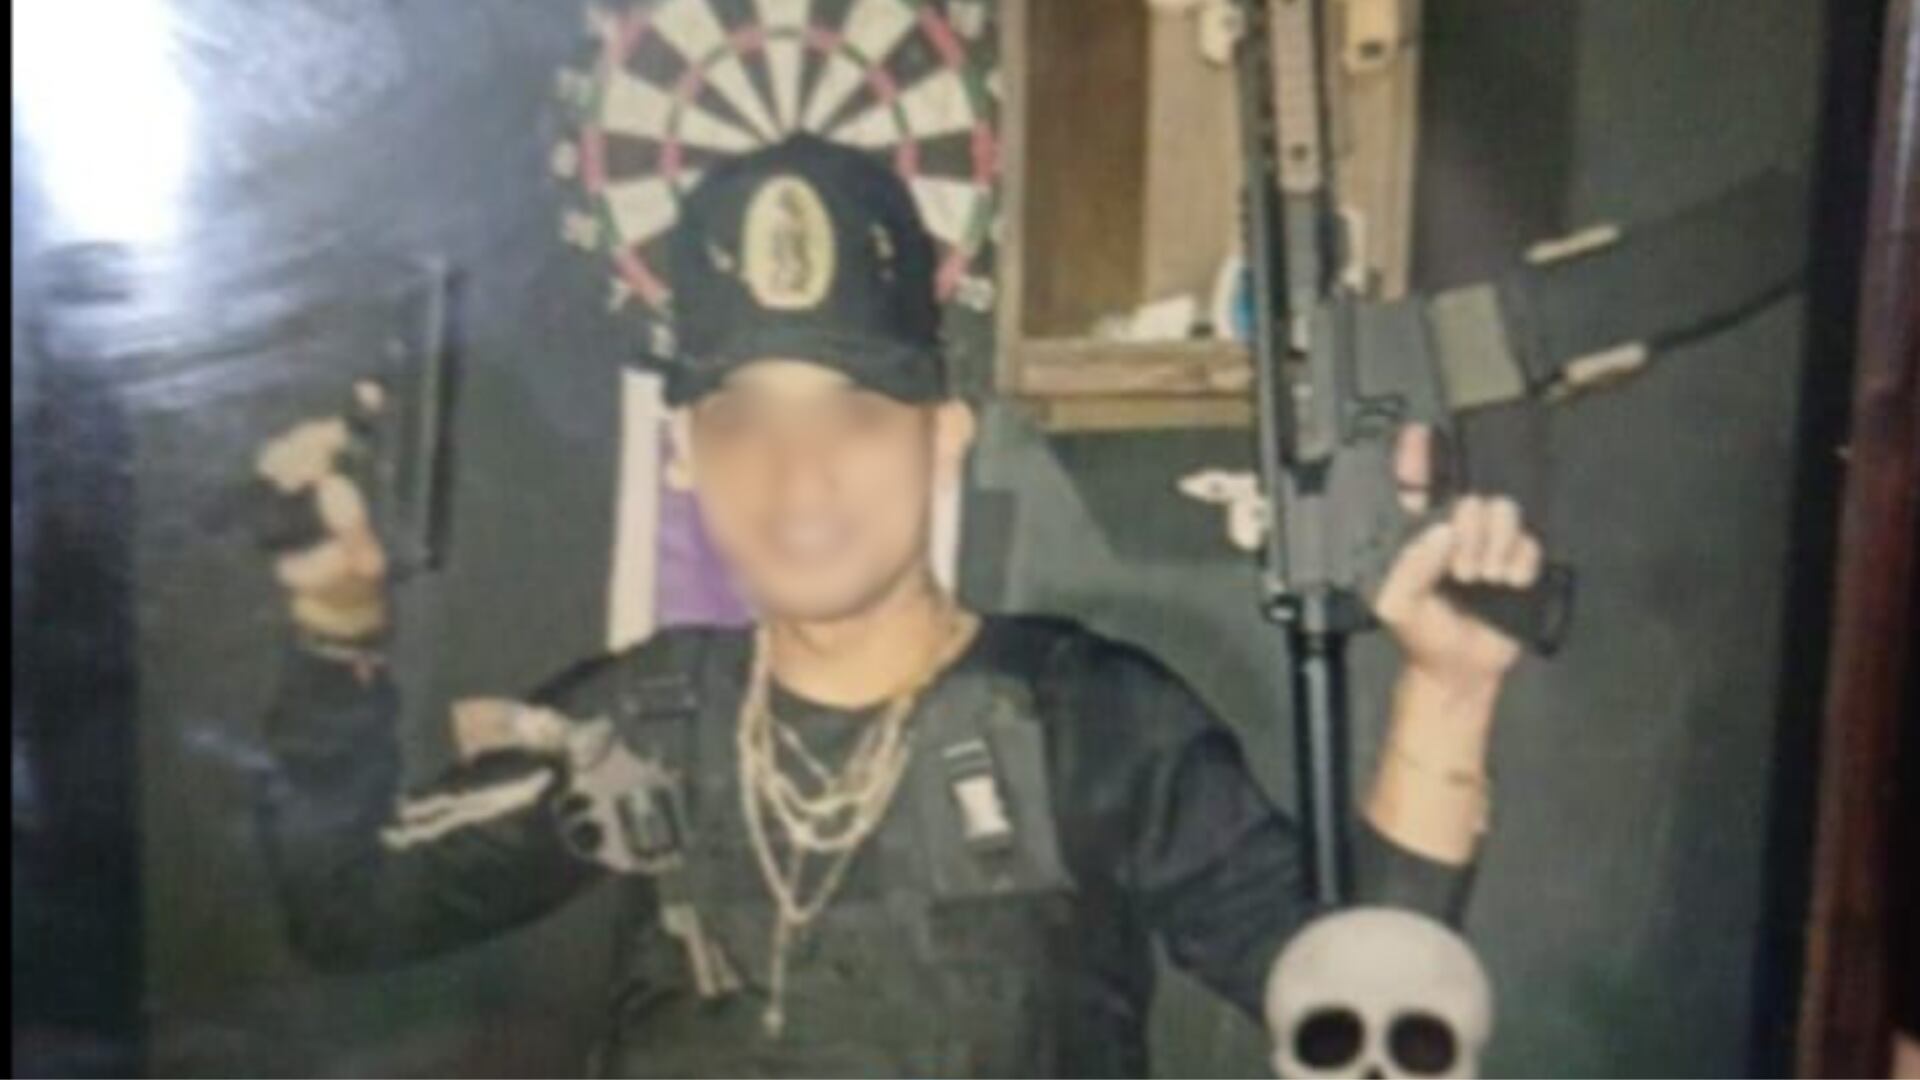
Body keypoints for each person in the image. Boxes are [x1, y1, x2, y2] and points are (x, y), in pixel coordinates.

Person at [255, 134, 1545, 1077]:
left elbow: (1373, 1025)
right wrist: (337, 627)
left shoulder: (1090, 725)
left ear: (945, 437)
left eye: (854, 415)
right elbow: (349, 908)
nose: (796, 475)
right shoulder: (643, 724)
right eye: (742, 420)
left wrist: (1447, 690)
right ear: (687, 456)